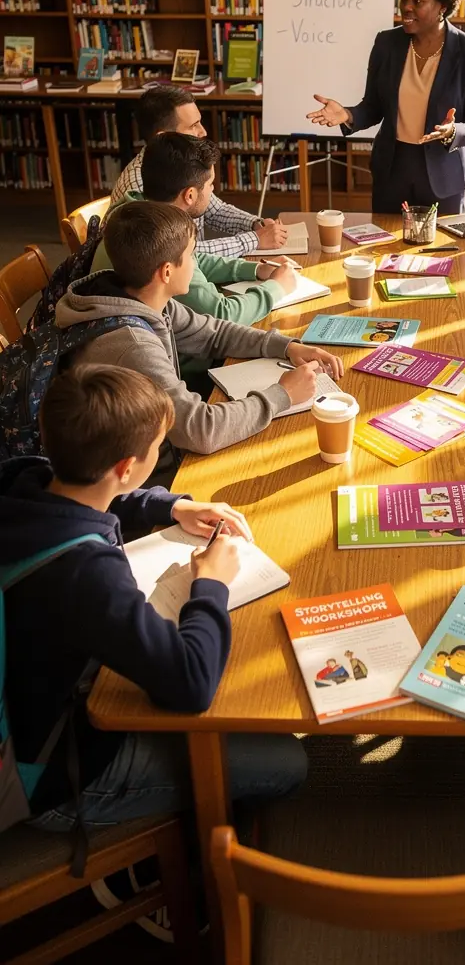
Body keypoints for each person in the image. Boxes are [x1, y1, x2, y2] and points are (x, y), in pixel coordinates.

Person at [3, 364, 306, 927]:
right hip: (51, 773)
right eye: (157, 448)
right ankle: (175, 876)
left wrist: (170, 506)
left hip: (29, 703)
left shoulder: (23, 480)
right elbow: (190, 682)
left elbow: (89, 496)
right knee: (284, 759)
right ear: (126, 465)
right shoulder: (82, 574)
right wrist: (209, 582)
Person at [55, 202, 342, 457]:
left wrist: (287, 346)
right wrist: (283, 395)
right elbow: (200, 430)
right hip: (135, 476)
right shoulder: (132, 345)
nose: (196, 264)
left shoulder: (142, 297)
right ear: (166, 272)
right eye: (192, 255)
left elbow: (214, 333)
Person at [306, 0, 465, 215]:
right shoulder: (387, 44)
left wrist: (453, 132)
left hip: (445, 173)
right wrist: (347, 114)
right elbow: (373, 106)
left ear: (442, 5)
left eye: (418, 1)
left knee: (441, 253)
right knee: (384, 250)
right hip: (393, 170)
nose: (406, 6)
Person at [95, 132, 298, 331]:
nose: (212, 191)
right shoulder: (156, 234)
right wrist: (275, 288)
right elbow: (222, 315)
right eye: (211, 185)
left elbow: (194, 260)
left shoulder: (137, 209)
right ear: (189, 195)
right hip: (171, 353)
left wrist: (253, 269)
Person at [110, 86, 287, 258]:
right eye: (193, 125)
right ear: (163, 137)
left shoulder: (181, 162)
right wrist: (254, 240)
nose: (203, 131)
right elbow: (177, 255)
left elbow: (215, 210)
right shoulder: (142, 185)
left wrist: (256, 225)